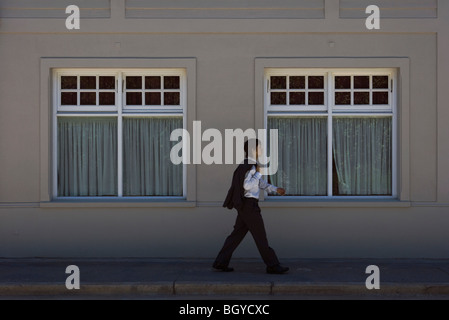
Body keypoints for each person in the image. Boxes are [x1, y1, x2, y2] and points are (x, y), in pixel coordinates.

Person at [213, 139, 289, 274]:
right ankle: (272, 265)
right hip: (249, 207)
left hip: (245, 207)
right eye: (260, 147)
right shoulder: (250, 166)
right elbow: (246, 186)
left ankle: (220, 262)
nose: (261, 150)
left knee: (236, 235)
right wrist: (258, 172)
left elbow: (259, 184)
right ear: (254, 150)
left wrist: (275, 189)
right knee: (261, 237)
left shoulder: (249, 165)